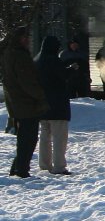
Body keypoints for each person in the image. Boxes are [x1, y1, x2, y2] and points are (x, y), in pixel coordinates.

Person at [1, 25, 46, 177]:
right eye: (24, 37)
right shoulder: (19, 55)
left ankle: (18, 167)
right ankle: (21, 168)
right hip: (25, 103)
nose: (27, 40)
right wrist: (40, 95)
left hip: (17, 102)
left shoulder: (9, 53)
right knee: (29, 138)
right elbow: (26, 81)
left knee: (24, 138)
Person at [34, 36, 72, 175]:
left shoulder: (37, 60)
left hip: (42, 106)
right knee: (59, 137)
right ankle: (59, 167)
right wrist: (71, 69)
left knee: (44, 136)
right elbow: (62, 75)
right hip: (58, 106)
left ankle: (44, 165)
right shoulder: (54, 60)